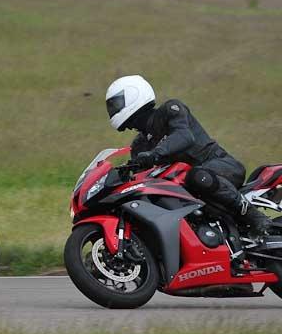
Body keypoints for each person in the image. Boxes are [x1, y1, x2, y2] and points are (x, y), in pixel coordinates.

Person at [105, 75, 271, 236]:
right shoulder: (140, 145)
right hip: (190, 188)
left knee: (196, 175)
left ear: (134, 94)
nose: (113, 109)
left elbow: (184, 136)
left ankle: (253, 214)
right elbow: (141, 177)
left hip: (222, 167)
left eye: (116, 103)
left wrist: (155, 154)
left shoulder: (170, 110)